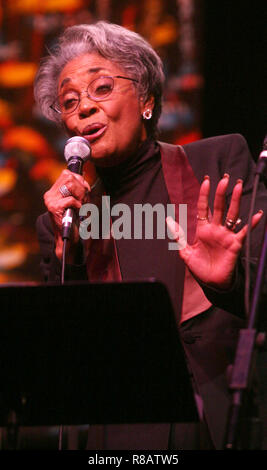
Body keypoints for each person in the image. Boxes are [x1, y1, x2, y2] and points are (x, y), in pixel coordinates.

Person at [34, 21, 267, 450]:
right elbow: (66, 362)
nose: (84, 107)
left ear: (146, 99)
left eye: (101, 88)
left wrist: (228, 282)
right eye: (69, 101)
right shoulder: (66, 222)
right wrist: (71, 247)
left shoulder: (217, 163)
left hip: (228, 420)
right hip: (127, 435)